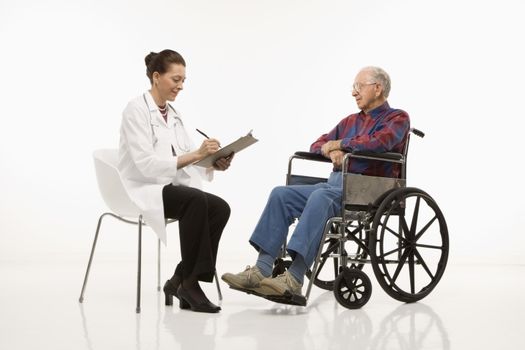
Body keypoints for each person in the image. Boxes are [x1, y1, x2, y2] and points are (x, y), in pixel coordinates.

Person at [222, 66, 410, 301]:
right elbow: (317, 144)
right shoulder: (350, 121)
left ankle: (295, 278)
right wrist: (330, 149)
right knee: (281, 194)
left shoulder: (398, 118)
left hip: (369, 189)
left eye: (358, 86)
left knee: (320, 198)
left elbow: (378, 143)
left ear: (377, 88)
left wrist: (341, 144)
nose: (354, 92)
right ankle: (261, 269)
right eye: (354, 87)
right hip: (336, 183)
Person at [118, 49, 233, 313]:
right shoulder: (135, 110)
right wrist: (197, 153)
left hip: (168, 186)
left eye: (183, 81)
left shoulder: (174, 114)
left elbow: (188, 158)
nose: (180, 86)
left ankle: (182, 279)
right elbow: (146, 165)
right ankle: (189, 285)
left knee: (219, 207)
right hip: (142, 187)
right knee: (194, 200)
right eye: (175, 79)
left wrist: (214, 162)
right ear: (156, 77)